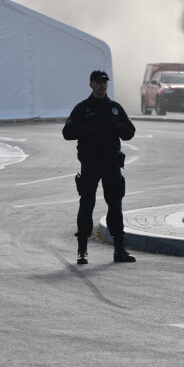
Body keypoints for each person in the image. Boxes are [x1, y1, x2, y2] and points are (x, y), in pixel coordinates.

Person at [62, 70, 137, 265]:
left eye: (105, 82)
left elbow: (130, 132)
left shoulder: (114, 108)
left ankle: (119, 250)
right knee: (86, 205)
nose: (102, 85)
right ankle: (82, 250)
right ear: (91, 85)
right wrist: (88, 129)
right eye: (98, 82)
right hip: (90, 164)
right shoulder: (83, 108)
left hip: (111, 164)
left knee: (115, 206)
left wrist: (117, 128)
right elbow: (67, 132)